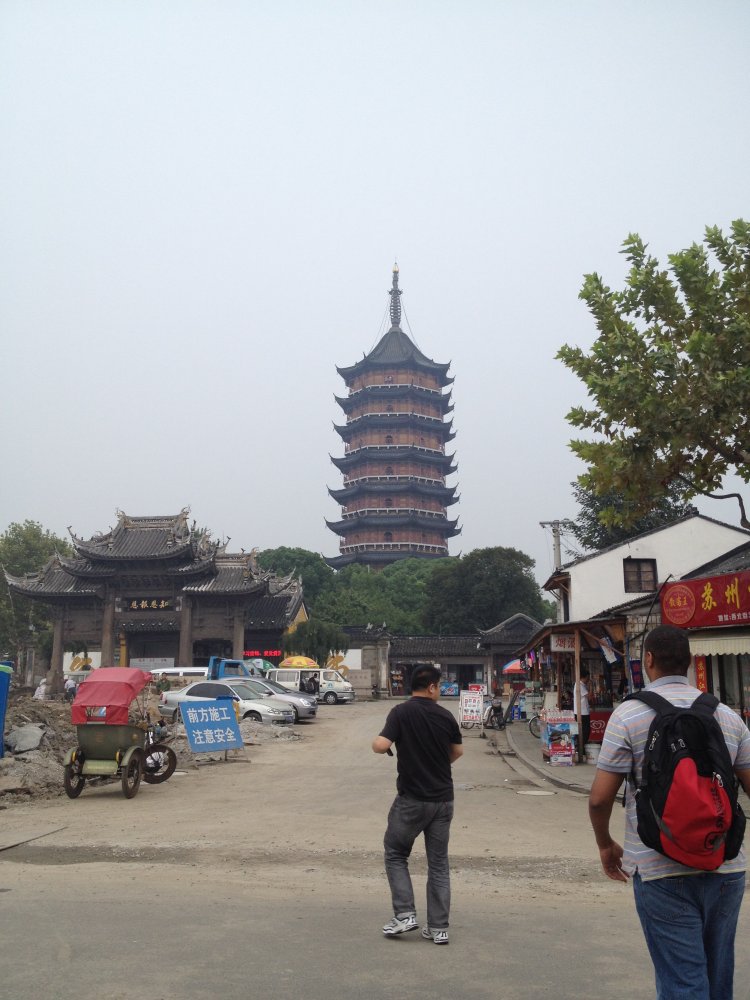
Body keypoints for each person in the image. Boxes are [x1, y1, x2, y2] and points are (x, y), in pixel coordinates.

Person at [588, 624, 750, 1000]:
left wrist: (605, 844)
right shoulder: (726, 715)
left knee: (682, 982)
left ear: (648, 660)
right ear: (689, 661)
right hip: (726, 865)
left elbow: (598, 799)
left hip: (659, 867)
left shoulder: (628, 715)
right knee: (718, 978)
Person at [372, 664, 463, 945]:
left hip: (412, 800)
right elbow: (457, 751)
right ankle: (438, 928)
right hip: (443, 800)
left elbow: (380, 745)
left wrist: (384, 745)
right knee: (439, 863)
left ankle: (405, 914)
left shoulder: (400, 712)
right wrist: (436, 764)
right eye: (439, 686)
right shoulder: (446, 716)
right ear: (431, 687)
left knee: (395, 853)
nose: (440, 690)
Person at [573, 669, 591, 761]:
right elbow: (589, 696)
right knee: (585, 731)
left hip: (582, 712)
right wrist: (591, 687)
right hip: (582, 713)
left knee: (584, 731)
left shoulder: (580, 685)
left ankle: (581, 748)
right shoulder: (580, 685)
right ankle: (581, 748)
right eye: (588, 677)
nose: (589, 679)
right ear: (585, 677)